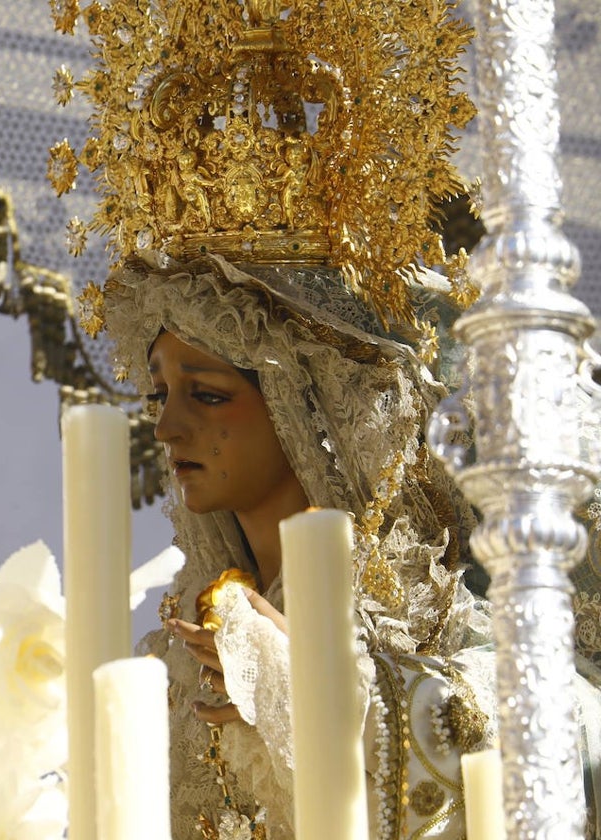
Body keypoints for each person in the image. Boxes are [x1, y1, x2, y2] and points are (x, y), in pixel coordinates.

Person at [99, 253, 601, 839]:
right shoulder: (182, 648)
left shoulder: (420, 613)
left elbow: (570, 739)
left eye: (207, 394)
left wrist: (342, 697)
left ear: (301, 401)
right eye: (161, 394)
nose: (166, 428)